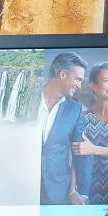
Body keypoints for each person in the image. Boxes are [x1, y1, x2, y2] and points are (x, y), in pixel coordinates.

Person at [39, 51, 87, 205]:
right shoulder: (26, 98)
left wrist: (73, 190)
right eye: (78, 79)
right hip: (22, 184)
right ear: (62, 74)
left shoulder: (75, 110)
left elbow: (79, 154)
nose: (79, 86)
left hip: (57, 190)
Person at [72, 60, 108, 205]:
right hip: (92, 196)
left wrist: (94, 149)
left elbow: (91, 150)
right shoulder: (83, 118)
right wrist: (73, 191)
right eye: (106, 81)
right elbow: (76, 157)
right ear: (93, 86)